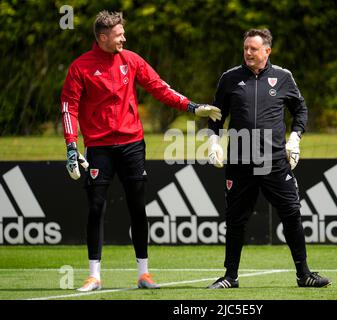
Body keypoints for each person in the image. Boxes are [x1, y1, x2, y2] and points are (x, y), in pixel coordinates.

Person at [61, 11, 221, 292]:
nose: (124, 37)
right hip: (98, 147)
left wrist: (192, 107)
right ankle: (94, 276)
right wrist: (72, 145)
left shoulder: (131, 60)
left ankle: (144, 274)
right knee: (96, 207)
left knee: (137, 206)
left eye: (123, 32)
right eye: (118, 33)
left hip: (132, 144)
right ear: (102, 37)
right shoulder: (80, 67)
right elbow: (68, 107)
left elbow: (159, 87)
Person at [207, 29, 331, 288]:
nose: (248, 53)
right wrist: (213, 143)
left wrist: (295, 139)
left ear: (267, 51)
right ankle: (230, 276)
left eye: (253, 49)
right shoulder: (229, 78)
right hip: (239, 163)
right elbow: (216, 115)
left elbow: (300, 109)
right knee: (235, 219)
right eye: (245, 49)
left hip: (274, 161)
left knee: (291, 214)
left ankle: (304, 274)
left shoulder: (283, 77)